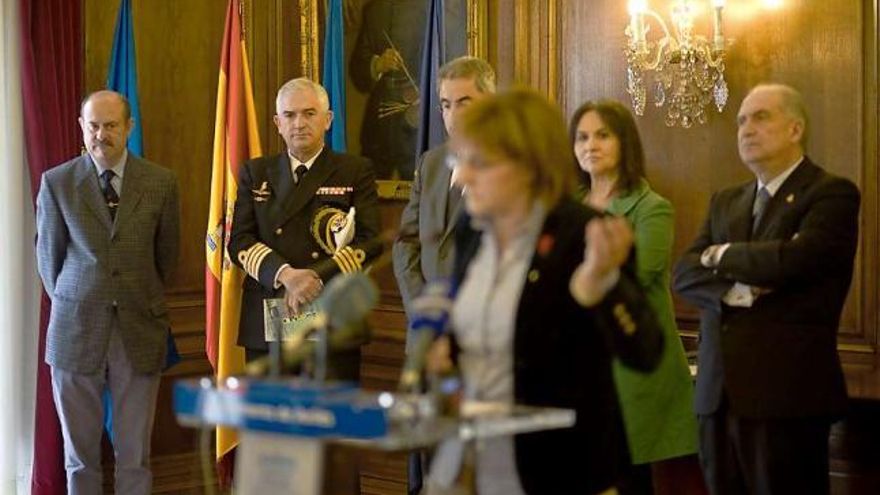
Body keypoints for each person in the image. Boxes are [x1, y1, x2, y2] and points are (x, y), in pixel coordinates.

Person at [425, 89, 663, 495]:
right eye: (458, 161)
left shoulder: (583, 233)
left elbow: (645, 351)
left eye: (477, 163)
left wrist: (600, 286)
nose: (462, 177)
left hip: (560, 470)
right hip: (468, 465)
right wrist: (446, 352)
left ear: (528, 165)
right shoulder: (470, 231)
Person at [673, 84, 860, 495]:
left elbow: (793, 261)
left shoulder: (830, 194)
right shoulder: (726, 201)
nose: (746, 129)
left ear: (795, 129)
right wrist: (738, 290)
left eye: (760, 117)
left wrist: (719, 254)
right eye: (741, 120)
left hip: (786, 398)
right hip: (717, 397)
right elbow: (684, 273)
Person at [35, 90, 180, 495]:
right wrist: (84, 296)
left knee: (135, 456)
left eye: (111, 125)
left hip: (138, 329)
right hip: (74, 330)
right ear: (82, 127)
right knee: (79, 457)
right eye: (93, 125)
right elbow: (48, 261)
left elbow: (167, 257)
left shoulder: (161, 182)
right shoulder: (57, 183)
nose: (101, 134)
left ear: (129, 128)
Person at [570, 100, 702, 494]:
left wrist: (574, 281)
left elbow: (635, 274)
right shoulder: (568, 206)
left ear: (625, 143)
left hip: (632, 366)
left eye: (602, 135)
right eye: (581, 137)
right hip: (577, 368)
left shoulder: (651, 208)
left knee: (629, 480)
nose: (590, 145)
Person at [229, 77, 382, 376]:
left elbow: (370, 241)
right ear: (277, 122)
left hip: (332, 314)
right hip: (269, 312)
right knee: (271, 420)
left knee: (332, 419)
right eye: (290, 115)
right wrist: (286, 276)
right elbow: (239, 241)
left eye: (309, 113)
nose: (299, 123)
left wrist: (313, 280)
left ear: (328, 120)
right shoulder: (255, 172)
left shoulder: (354, 170)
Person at [393, 56, 495, 319]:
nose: (453, 116)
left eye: (464, 103)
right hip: (426, 330)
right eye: (446, 105)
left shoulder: (510, 168)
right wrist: (422, 309)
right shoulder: (431, 163)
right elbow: (406, 242)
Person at [350, 0, 428, 179]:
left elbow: (443, 61)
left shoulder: (428, 9)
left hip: (416, 112)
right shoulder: (374, 10)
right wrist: (377, 64)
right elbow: (357, 71)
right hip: (380, 115)